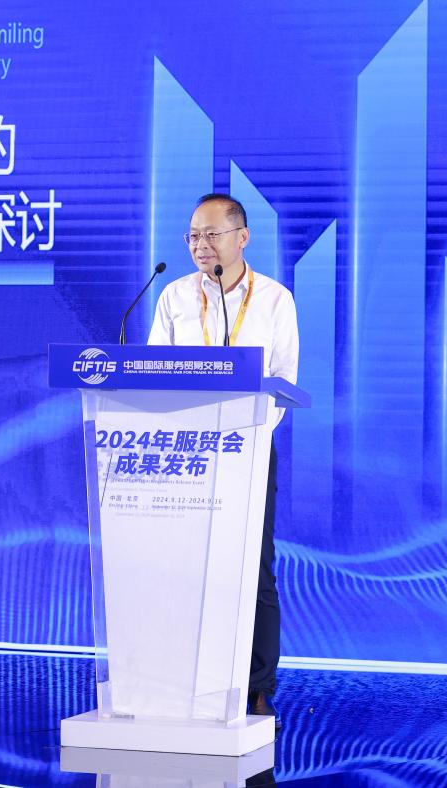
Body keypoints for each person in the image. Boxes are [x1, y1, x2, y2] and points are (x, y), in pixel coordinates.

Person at [147, 193, 299, 725]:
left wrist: (243, 436)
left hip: (247, 448)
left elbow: (283, 382)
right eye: (193, 236)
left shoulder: (275, 300)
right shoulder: (173, 296)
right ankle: (176, 678)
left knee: (253, 569)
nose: (200, 245)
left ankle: (258, 687)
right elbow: (152, 374)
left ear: (242, 237)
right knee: (183, 565)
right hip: (184, 453)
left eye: (211, 234)